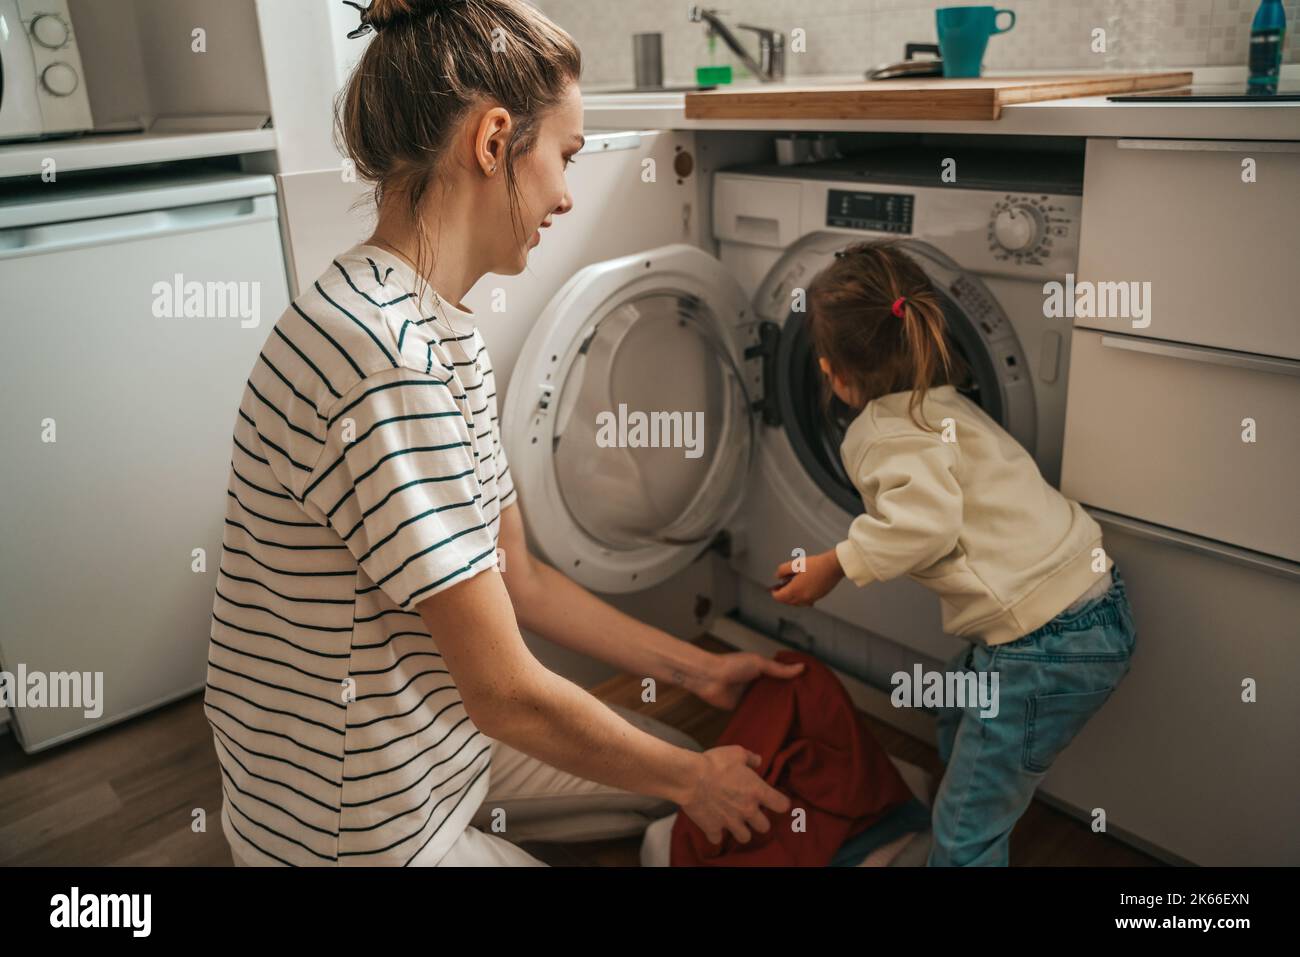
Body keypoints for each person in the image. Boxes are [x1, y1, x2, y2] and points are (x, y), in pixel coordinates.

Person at [206, 0, 801, 867]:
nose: (566, 193)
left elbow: (517, 579)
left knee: (672, 777)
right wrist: (692, 777)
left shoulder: (436, 329)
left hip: (438, 748)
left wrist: (699, 672)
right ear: (493, 143)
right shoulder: (383, 360)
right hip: (354, 829)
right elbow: (506, 694)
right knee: (687, 782)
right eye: (564, 155)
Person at [770, 240, 1137, 866]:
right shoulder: (949, 406)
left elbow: (926, 528)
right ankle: (961, 805)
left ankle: (958, 840)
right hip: (1091, 609)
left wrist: (834, 565)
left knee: (967, 832)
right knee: (954, 715)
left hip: (1040, 646)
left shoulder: (881, 434)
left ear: (830, 372)